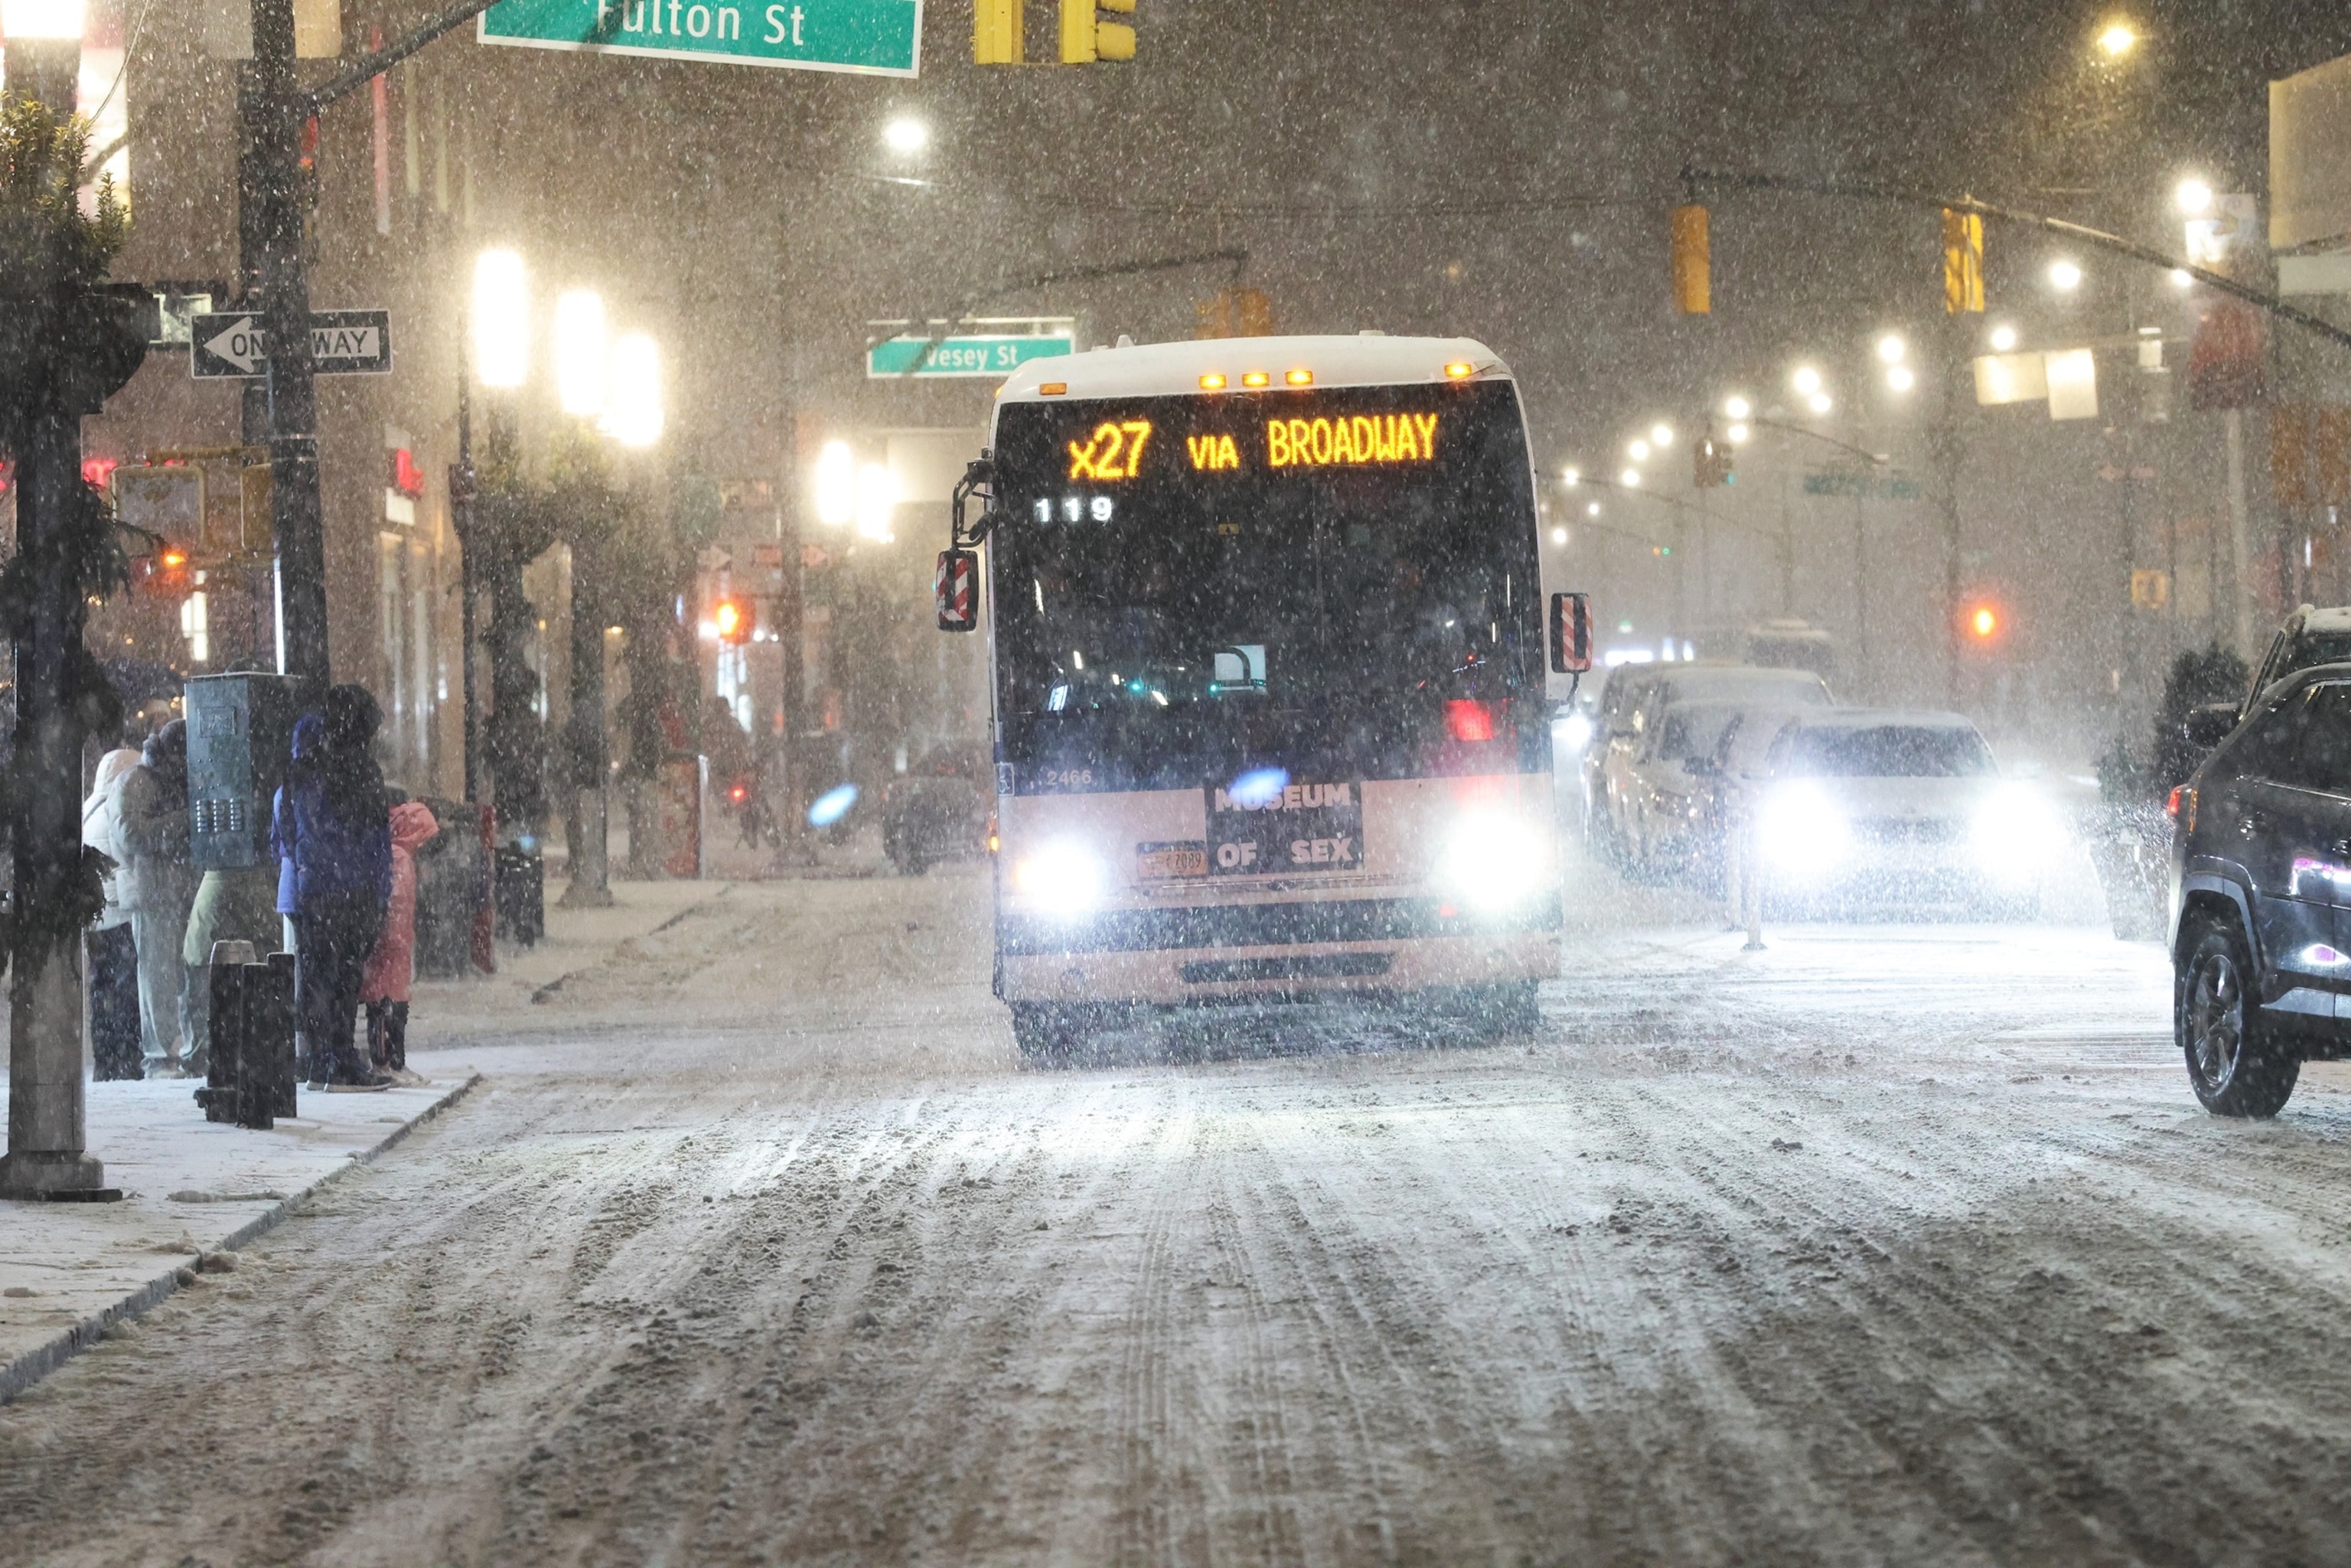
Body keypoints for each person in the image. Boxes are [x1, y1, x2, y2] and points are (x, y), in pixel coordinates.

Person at [274, 686, 394, 1092]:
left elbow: (287, 832)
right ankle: (341, 1061)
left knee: (316, 976)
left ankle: (318, 1059)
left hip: (314, 888)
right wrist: (379, 888)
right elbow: (377, 838)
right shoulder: (363, 771)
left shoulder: (302, 770)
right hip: (354, 888)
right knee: (344, 978)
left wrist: (309, 860)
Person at [117, 719, 199, 1077]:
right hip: (155, 893)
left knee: (183, 974)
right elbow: (132, 834)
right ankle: (161, 1054)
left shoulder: (173, 779)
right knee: (158, 975)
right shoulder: (136, 781)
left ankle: (184, 1047)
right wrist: (183, 822)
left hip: (182, 890)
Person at [360, 794, 439, 1081]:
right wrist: (395, 938)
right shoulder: (399, 857)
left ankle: (392, 1061)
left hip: (395, 945)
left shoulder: (391, 853)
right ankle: (388, 1063)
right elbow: (396, 904)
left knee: (390, 1003)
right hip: (394, 945)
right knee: (386, 1004)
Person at [83, 737, 145, 1081]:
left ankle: (106, 1062)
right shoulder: (118, 808)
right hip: (121, 914)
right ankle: (126, 1061)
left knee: (102, 991)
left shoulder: (88, 808)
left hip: (96, 918)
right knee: (126, 992)